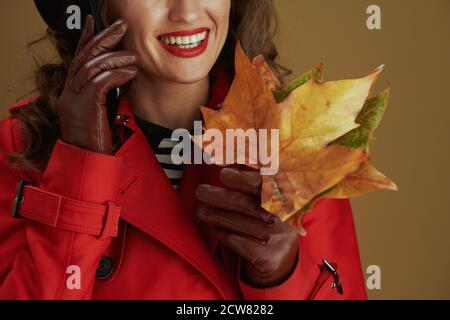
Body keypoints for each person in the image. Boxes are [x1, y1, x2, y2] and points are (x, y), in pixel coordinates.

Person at [0, 0, 367, 299]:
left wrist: (281, 278)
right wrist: (81, 164)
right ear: (99, 6)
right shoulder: (22, 146)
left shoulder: (296, 140)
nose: (187, 12)